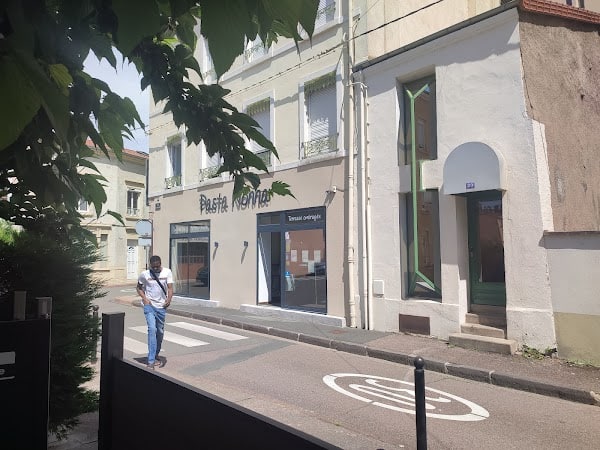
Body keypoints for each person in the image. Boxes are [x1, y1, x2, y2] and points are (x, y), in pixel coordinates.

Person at [136, 255, 173, 369]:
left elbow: (170, 288)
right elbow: (138, 288)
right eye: (153, 267)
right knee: (152, 329)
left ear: (160, 264)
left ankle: (156, 353)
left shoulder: (167, 272)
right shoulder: (145, 274)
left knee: (160, 331)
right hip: (149, 305)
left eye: (157, 266)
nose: (156, 269)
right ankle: (151, 361)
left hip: (161, 306)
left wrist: (169, 299)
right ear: (150, 266)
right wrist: (145, 299)